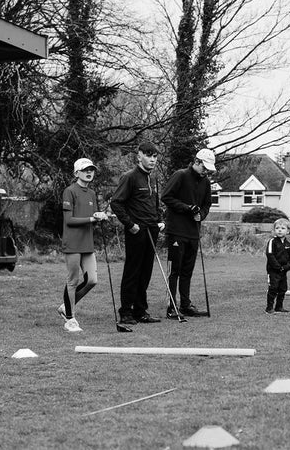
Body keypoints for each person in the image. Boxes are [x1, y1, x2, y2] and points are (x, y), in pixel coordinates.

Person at [110, 142, 165, 325]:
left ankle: (140, 311)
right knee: (132, 272)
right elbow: (116, 203)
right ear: (139, 155)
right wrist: (130, 224)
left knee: (145, 272)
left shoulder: (153, 178)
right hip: (137, 231)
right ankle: (126, 312)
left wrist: (159, 220)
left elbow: (154, 204)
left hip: (152, 230)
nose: (152, 159)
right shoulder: (130, 177)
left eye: (155, 156)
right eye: (148, 155)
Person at [160, 149, 216, 319]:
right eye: (204, 167)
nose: (206, 171)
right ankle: (171, 307)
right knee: (174, 270)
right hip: (177, 231)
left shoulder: (205, 182)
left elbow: (207, 204)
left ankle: (185, 305)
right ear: (196, 161)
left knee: (187, 271)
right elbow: (166, 197)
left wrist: (202, 214)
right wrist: (187, 208)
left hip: (193, 232)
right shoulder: (180, 175)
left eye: (208, 169)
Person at [58, 158, 109, 333]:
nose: (89, 172)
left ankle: (66, 307)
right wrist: (92, 219)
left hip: (87, 243)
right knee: (72, 281)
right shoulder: (69, 191)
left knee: (92, 280)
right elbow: (69, 220)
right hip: (72, 243)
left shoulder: (92, 193)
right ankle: (70, 319)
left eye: (92, 170)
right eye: (85, 170)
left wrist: (99, 217)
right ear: (76, 173)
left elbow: (92, 219)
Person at [265, 218, 290, 314]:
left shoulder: (288, 244)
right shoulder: (272, 241)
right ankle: (269, 308)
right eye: (277, 228)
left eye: (283, 228)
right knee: (273, 288)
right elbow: (270, 254)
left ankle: (279, 307)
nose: (280, 230)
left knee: (283, 289)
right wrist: (278, 267)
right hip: (273, 271)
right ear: (274, 230)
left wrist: (287, 267)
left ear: (288, 231)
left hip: (283, 271)